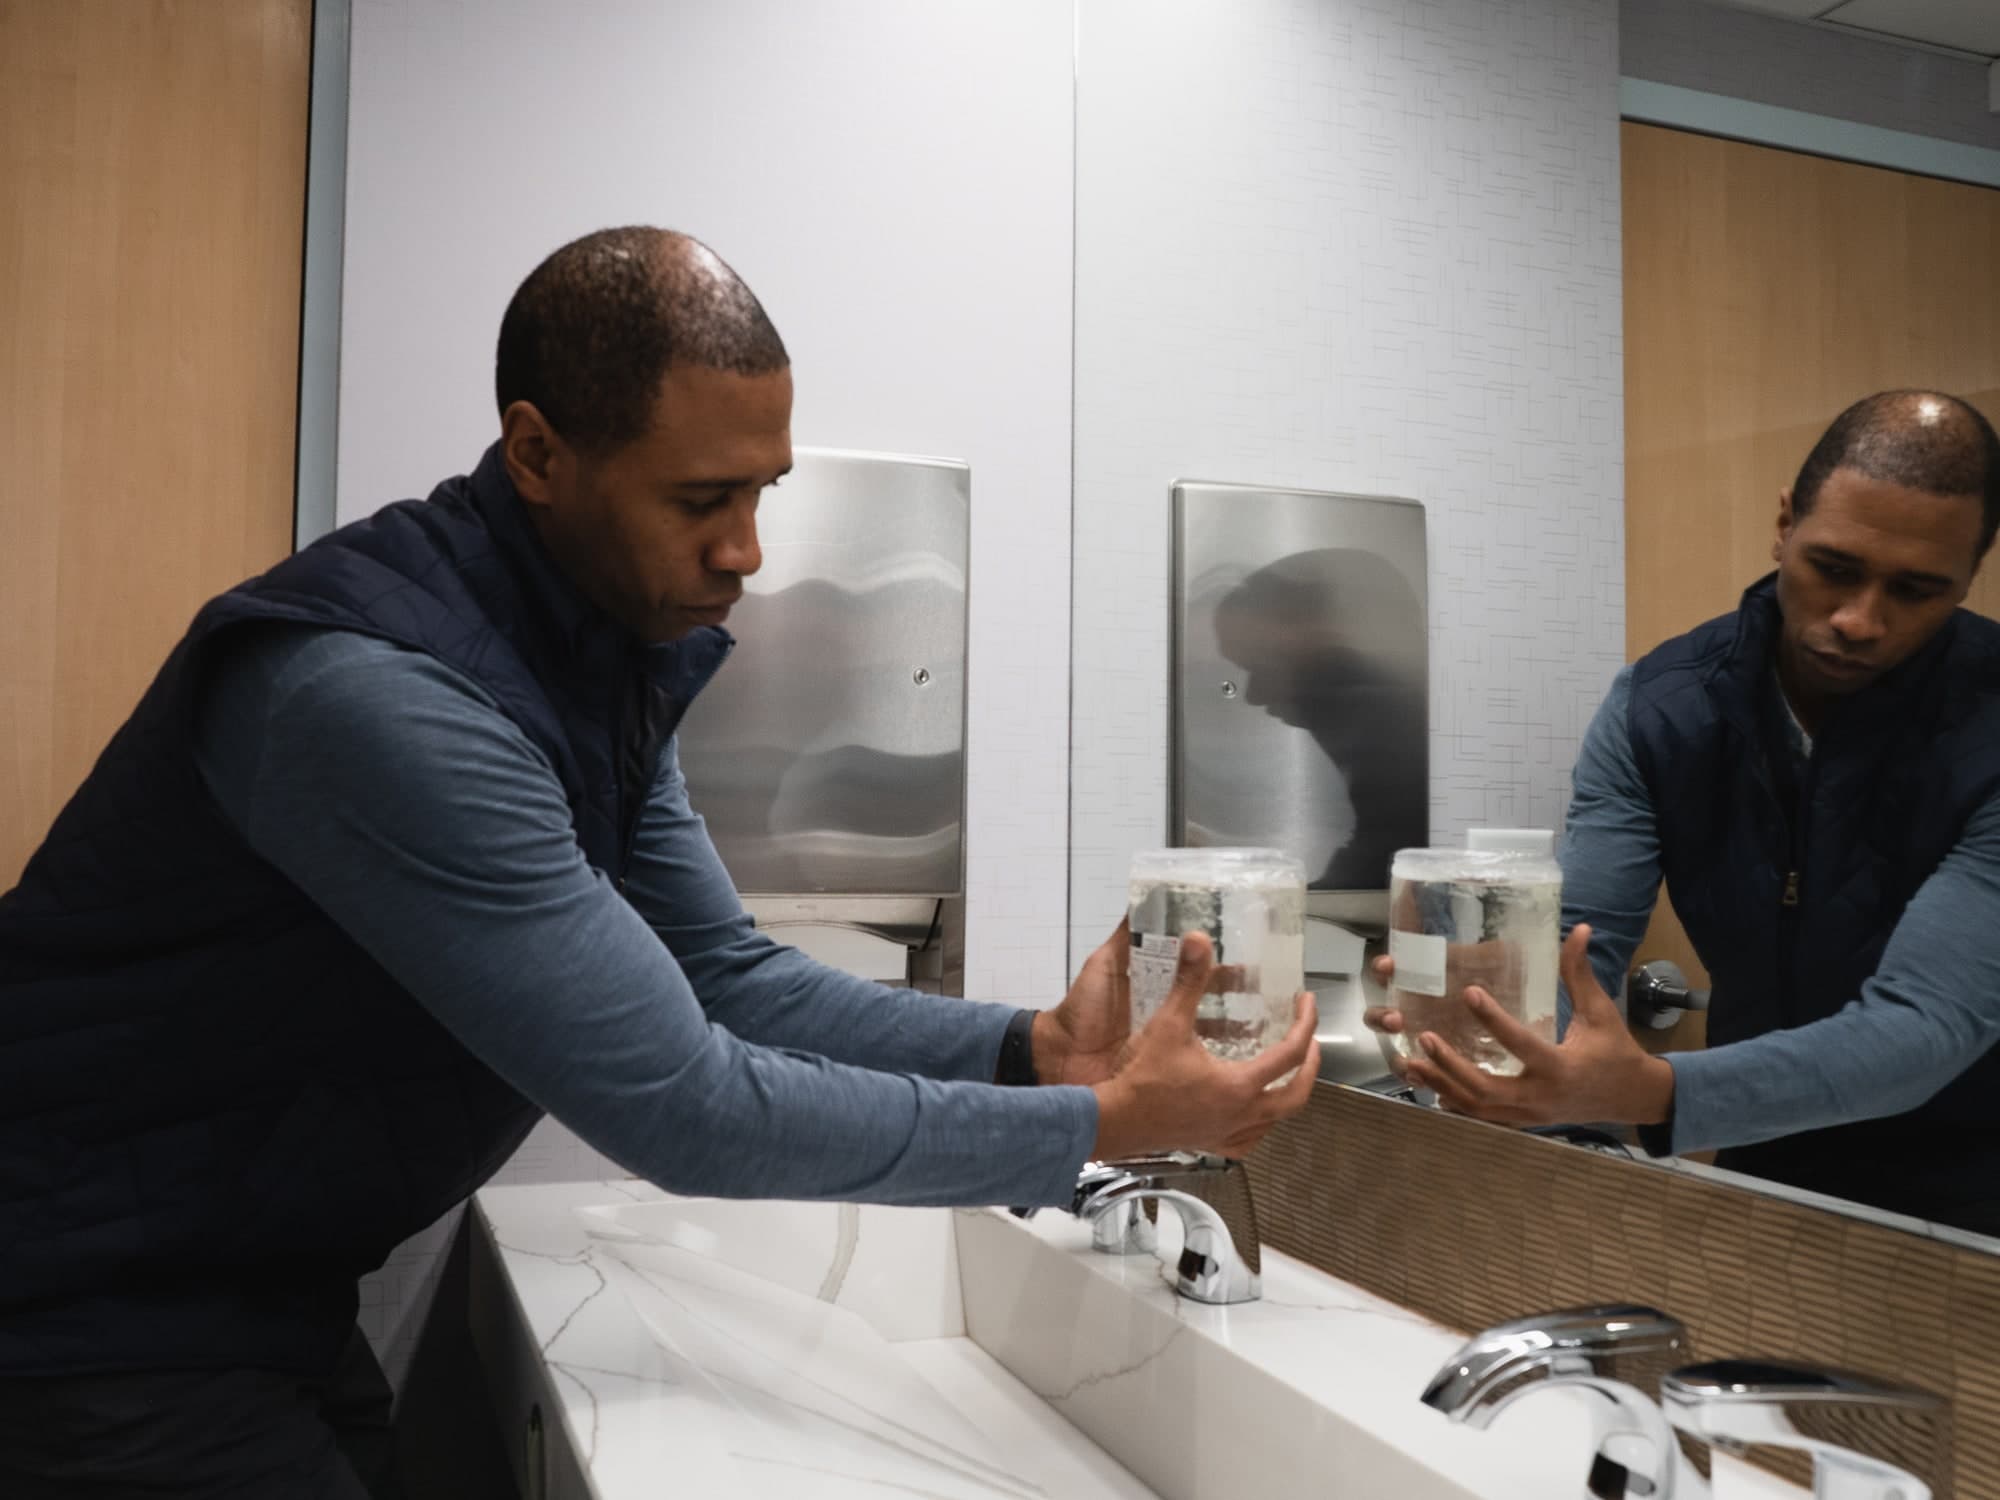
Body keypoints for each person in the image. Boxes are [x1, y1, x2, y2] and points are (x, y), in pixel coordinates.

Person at [0, 226, 1319, 1497]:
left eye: (760, 493)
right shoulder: (381, 699)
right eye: (700, 500)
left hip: (239, 1298)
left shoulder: (591, 664)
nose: (745, 550)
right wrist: (1097, 1129)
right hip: (85, 1316)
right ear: (538, 453)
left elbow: (722, 976)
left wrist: (1030, 1051)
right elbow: (683, 1107)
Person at [1370, 389, 2000, 1236]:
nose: (1859, 620)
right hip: (1767, 1161)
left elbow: (1928, 1026)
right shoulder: (1659, 710)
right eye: (1835, 568)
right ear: (1785, 524)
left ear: (1971, 575)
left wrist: (1655, 1091)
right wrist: (1498, 1034)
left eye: (1917, 590)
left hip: (1976, 1186)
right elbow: (1581, 949)